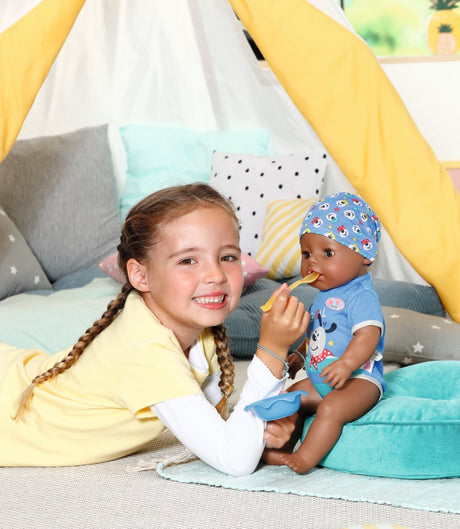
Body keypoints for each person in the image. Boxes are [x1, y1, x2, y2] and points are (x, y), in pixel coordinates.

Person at [0, 183, 309, 474]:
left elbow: (221, 426)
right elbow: (234, 460)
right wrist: (272, 349)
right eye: (188, 261)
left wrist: (264, 430)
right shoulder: (147, 352)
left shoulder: (196, 330)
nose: (215, 274)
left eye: (227, 257)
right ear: (141, 276)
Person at [262, 191, 385, 474]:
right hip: (323, 379)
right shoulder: (324, 295)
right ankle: (280, 449)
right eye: (307, 254)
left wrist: (346, 364)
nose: (312, 262)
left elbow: (368, 335)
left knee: (331, 408)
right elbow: (318, 334)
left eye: (327, 253)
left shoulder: (360, 295)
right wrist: (299, 355)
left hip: (359, 380)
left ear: (365, 255)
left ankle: (306, 458)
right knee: (289, 399)